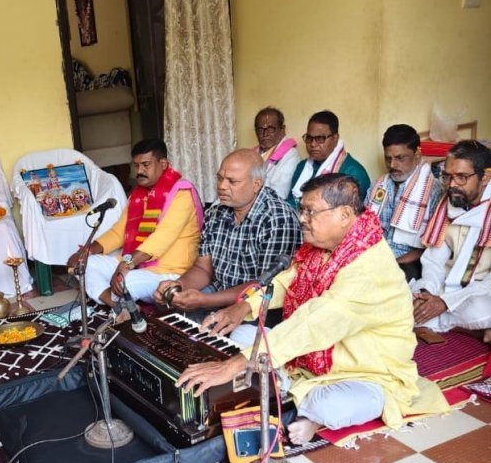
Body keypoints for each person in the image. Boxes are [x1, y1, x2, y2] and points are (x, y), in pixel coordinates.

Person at [177, 174, 448, 445]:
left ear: (344, 215)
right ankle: (282, 382)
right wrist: (244, 306)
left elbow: (315, 322)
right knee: (243, 336)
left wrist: (233, 365)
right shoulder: (324, 247)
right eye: (302, 209)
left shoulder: (370, 269)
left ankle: (301, 403)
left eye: (311, 211)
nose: (302, 218)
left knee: (331, 405)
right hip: (313, 358)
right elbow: (287, 282)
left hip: (363, 372)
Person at [154, 149, 302, 325]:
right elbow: (203, 268)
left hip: (258, 305)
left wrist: (204, 301)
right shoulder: (216, 212)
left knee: (220, 337)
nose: (222, 186)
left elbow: (263, 285)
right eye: (220, 178)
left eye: (232, 181)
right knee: (174, 317)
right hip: (220, 293)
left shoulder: (278, 218)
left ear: (257, 184)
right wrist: (178, 285)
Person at [66, 138, 203, 308]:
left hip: (168, 274)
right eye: (136, 166)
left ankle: (120, 304)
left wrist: (127, 264)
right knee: (87, 265)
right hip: (135, 263)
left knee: (126, 282)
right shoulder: (138, 195)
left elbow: (161, 239)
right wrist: (87, 251)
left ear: (163, 164)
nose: (140, 171)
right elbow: (119, 232)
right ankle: (120, 306)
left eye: (146, 165)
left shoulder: (182, 194)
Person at [410, 140, 491, 335]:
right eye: (447, 176)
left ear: (485, 177)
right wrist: (428, 293)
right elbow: (434, 261)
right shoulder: (449, 203)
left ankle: (434, 319)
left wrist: (446, 302)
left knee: (480, 309)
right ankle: (474, 330)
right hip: (444, 289)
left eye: (462, 177)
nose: (452, 185)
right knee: (406, 296)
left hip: (480, 294)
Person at [365, 124, 443, 281]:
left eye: (400, 158)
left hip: (409, 262)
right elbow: (362, 228)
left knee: (383, 282)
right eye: (388, 158)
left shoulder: (433, 191)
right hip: (376, 256)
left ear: (417, 155)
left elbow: (431, 248)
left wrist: (391, 264)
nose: (392, 165)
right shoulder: (379, 185)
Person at [288, 110, 371, 207]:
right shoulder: (302, 167)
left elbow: (351, 216)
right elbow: (290, 202)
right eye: (309, 138)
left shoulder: (353, 172)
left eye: (320, 139)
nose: (313, 144)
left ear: (335, 138)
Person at [253, 106, 301, 200]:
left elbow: (278, 194)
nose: (265, 134)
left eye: (270, 129)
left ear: (282, 129)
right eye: (260, 130)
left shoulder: (291, 155)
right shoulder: (252, 153)